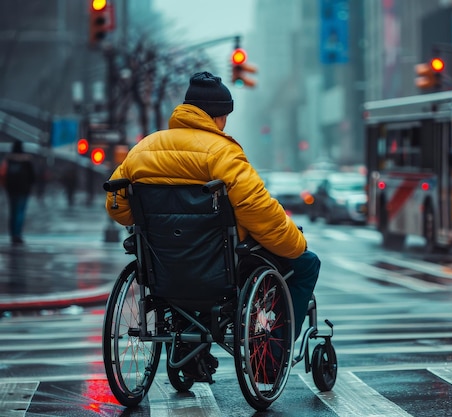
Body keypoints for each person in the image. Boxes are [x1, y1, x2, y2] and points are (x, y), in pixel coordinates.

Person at [105, 71, 320, 341]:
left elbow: (117, 206)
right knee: (306, 264)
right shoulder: (222, 152)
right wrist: (295, 242)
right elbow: (256, 207)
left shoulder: (142, 149)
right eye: (225, 118)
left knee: (193, 273)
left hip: (162, 262)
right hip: (218, 266)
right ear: (218, 116)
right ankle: (274, 357)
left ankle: (189, 341)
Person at [1, 140, 36, 245]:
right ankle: (18, 234)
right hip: (23, 190)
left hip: (11, 189)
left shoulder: (8, 160)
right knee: (20, 212)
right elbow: (32, 177)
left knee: (13, 211)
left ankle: (13, 234)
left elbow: (3, 174)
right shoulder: (27, 161)